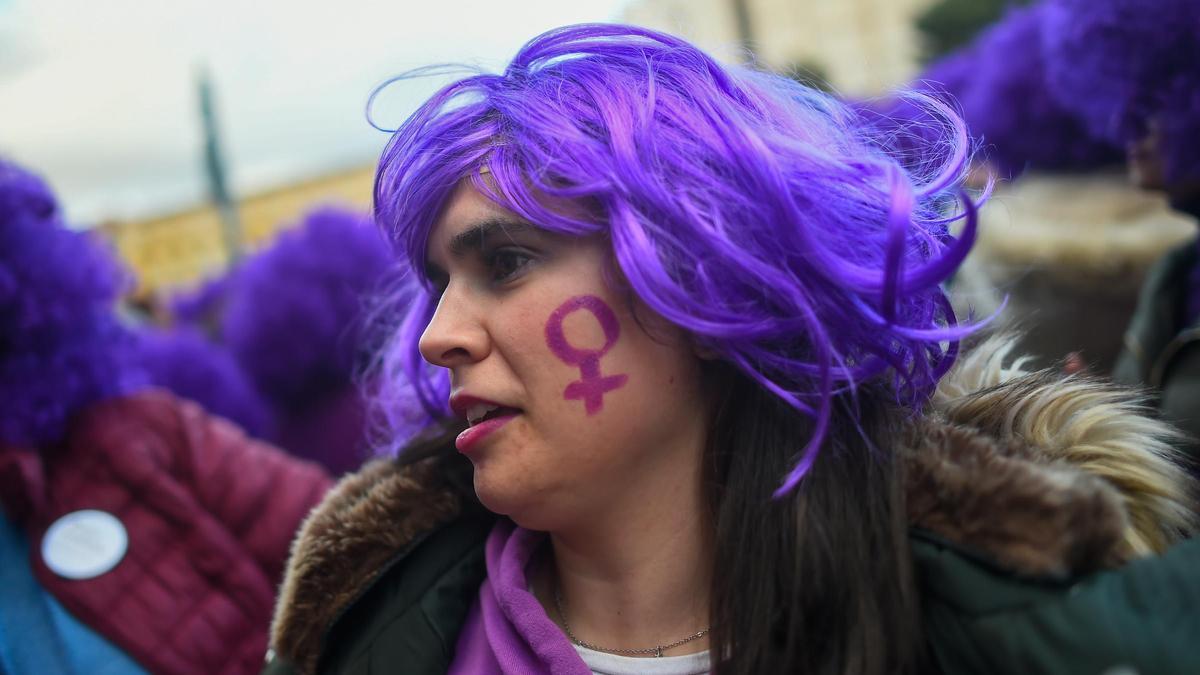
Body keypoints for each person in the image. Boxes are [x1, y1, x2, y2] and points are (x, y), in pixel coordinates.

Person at [263, 25, 1198, 675]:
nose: (436, 336)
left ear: (705, 276)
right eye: (438, 283)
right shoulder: (360, 617)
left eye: (506, 261)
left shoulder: (1019, 609)